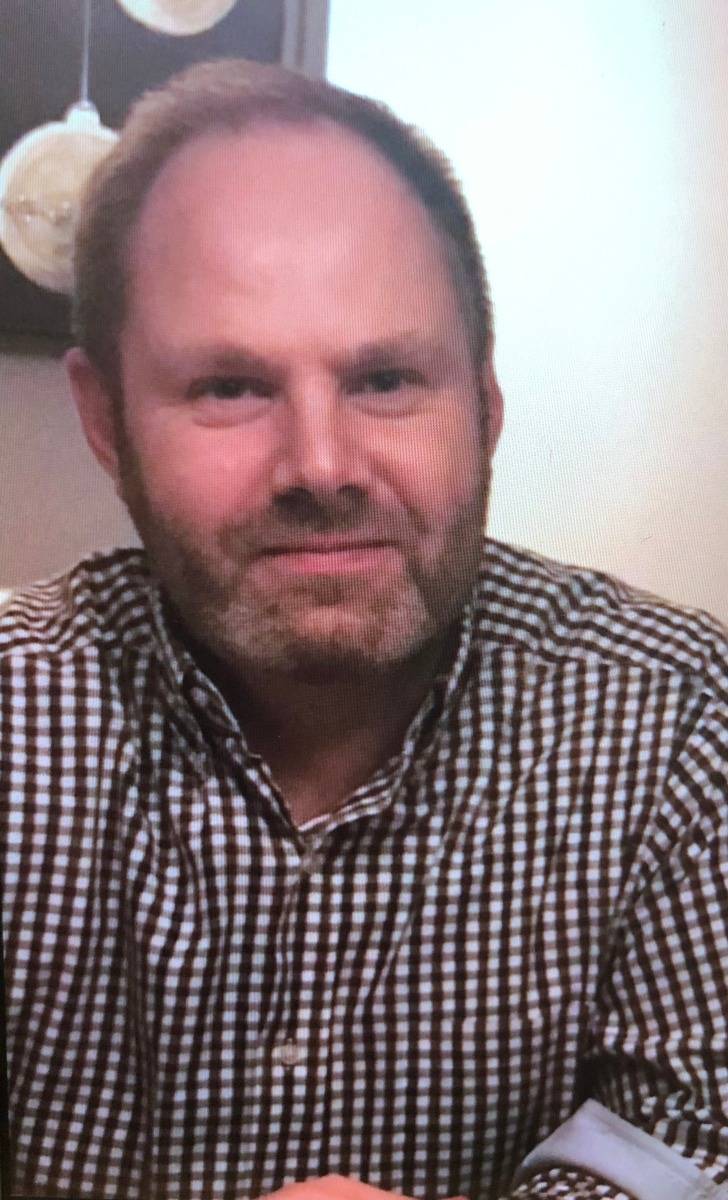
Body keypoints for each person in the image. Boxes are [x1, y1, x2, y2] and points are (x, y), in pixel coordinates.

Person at [1, 58, 727, 1200]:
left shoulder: (680, 722)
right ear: (104, 420)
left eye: (386, 378)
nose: (321, 466)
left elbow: (688, 1145)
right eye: (229, 387)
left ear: (484, 404)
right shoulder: (18, 717)